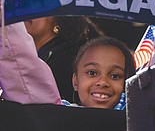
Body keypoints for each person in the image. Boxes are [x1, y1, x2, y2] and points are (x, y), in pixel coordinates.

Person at [0, 0, 105, 102]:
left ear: (59, 17)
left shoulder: (69, 59)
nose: (25, 10)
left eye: (35, 1)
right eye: (20, 0)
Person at [0, 21, 135, 109]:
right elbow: (21, 66)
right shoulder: (58, 112)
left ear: (127, 83)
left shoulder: (143, 117)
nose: (102, 82)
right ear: (75, 81)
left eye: (115, 75)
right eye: (92, 73)